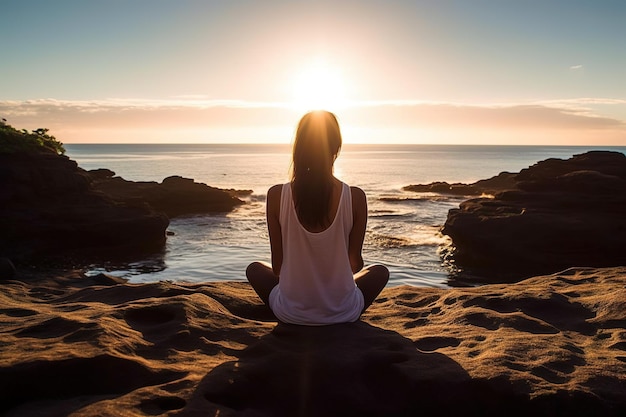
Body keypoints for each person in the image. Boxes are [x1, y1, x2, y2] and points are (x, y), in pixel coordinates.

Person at [246, 110, 389, 325]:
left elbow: (277, 267)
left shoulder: (276, 195)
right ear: (336, 148)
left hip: (291, 314)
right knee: (379, 272)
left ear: (299, 147)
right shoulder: (355, 197)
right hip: (343, 313)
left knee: (254, 269)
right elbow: (354, 265)